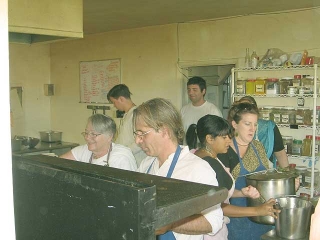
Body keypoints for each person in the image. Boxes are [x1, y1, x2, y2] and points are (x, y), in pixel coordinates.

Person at [133, 98, 224, 240]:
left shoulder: (197, 169)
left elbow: (214, 221)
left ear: (165, 132)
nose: (137, 141)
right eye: (136, 134)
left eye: (142, 133)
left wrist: (171, 225)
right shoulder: (147, 164)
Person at [187, 115, 279, 239]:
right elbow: (217, 208)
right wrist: (257, 210)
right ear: (209, 138)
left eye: (229, 136)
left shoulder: (203, 155)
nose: (229, 141)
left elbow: (219, 193)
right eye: (224, 137)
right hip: (209, 233)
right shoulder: (208, 165)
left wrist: (241, 193)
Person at [217, 102, 273, 240]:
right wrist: (242, 193)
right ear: (235, 124)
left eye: (255, 124)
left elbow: (267, 180)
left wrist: (289, 184)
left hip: (262, 220)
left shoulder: (258, 147)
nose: (252, 129)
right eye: (247, 124)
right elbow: (221, 194)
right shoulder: (226, 150)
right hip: (237, 222)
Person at [60, 114, 137, 171]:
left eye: (93, 134)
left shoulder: (121, 158)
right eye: (86, 133)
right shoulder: (85, 150)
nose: (87, 137)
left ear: (109, 136)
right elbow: (58, 163)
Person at [238, 95, 289, 169]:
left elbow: (280, 154)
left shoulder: (269, 128)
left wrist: (288, 175)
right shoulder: (233, 128)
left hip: (265, 176)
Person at [107, 84, 146, 167]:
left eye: (114, 102)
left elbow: (141, 141)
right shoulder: (127, 114)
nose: (114, 105)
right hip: (125, 158)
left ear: (121, 99)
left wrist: (124, 152)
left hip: (136, 160)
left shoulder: (137, 114)